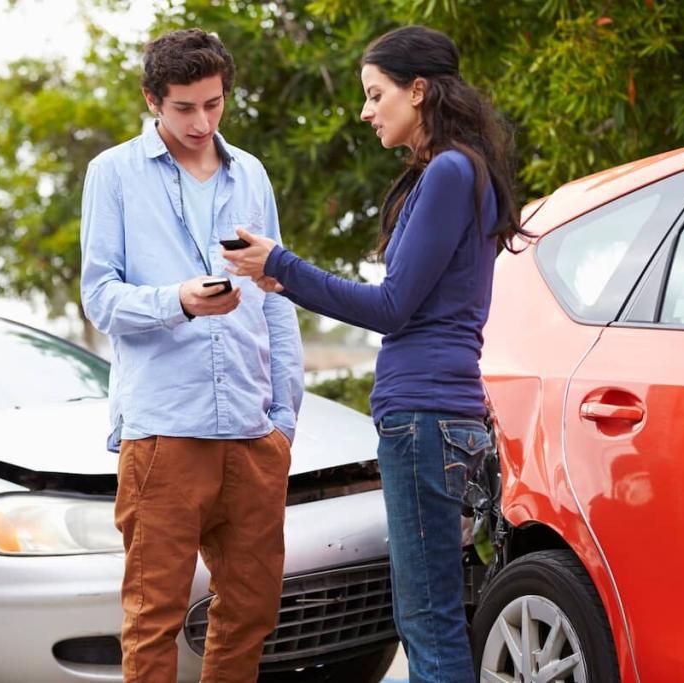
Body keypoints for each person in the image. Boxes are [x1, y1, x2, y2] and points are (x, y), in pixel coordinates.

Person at [223, 25, 527, 682]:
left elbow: (393, 306)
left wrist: (285, 263)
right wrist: (284, 275)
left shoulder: (449, 171)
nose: (366, 110)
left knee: (427, 616)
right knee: (436, 611)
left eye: (375, 93)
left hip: (423, 416)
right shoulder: (457, 172)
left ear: (418, 91)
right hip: (439, 414)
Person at [79, 28, 303, 683]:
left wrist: (283, 421)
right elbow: (101, 296)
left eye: (214, 103)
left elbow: (276, 293)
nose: (202, 121)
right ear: (152, 98)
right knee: (154, 619)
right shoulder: (113, 173)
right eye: (184, 107)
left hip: (252, 431)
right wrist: (178, 300)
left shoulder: (251, 174)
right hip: (164, 432)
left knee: (252, 612)